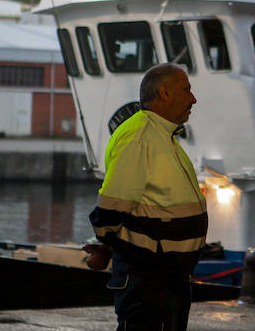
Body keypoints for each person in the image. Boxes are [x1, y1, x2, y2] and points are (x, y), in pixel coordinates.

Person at [83, 63, 207, 331]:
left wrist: (111, 245)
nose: (193, 98)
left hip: (167, 278)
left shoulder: (162, 136)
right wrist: (108, 241)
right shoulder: (139, 137)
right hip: (149, 280)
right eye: (186, 90)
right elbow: (110, 211)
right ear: (165, 93)